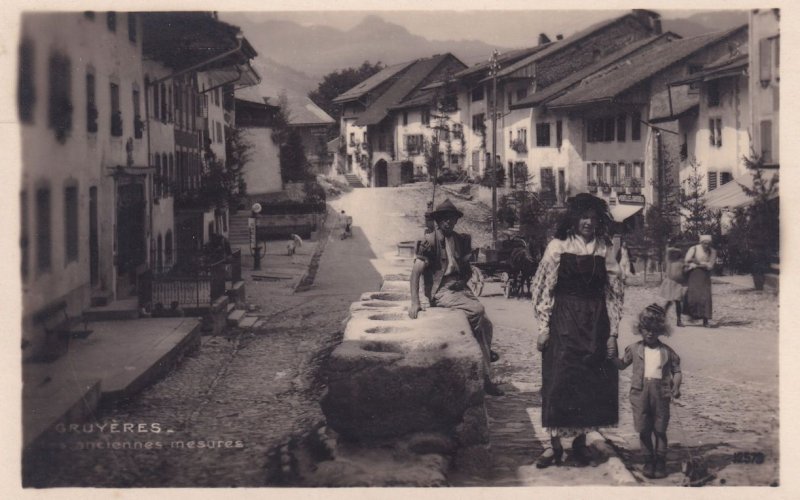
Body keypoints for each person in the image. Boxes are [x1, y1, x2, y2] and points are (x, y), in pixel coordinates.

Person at [530, 193, 624, 468]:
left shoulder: (604, 249)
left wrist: (613, 332)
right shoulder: (557, 246)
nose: (588, 222)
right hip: (564, 321)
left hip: (595, 322)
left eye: (593, 218)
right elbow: (542, 286)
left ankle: (580, 444)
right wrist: (543, 326)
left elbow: (615, 292)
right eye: (584, 217)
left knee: (589, 382)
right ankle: (553, 446)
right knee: (558, 378)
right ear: (574, 219)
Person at [409, 198, 503, 396]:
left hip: (459, 288)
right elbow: (416, 271)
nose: (448, 223)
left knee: (486, 325)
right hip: (441, 290)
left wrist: (464, 279)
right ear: (438, 221)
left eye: (451, 219)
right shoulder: (430, 241)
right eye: (444, 219)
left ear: (456, 221)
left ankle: (485, 360)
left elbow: (467, 270)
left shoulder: (460, 240)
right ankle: (485, 376)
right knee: (477, 311)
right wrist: (415, 302)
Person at [614, 303, 682, 479]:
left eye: (655, 329)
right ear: (640, 328)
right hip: (640, 394)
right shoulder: (634, 349)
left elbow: (677, 371)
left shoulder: (667, 351)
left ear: (661, 330)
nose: (650, 333)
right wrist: (610, 357)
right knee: (644, 429)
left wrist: (676, 385)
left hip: (661, 395)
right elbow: (621, 365)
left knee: (660, 429)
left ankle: (660, 461)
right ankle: (648, 460)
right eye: (646, 329)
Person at [684, 235, 716, 327]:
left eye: (708, 243)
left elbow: (710, 266)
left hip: (705, 275)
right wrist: (703, 264)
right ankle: (693, 316)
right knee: (694, 296)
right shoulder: (693, 249)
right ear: (700, 242)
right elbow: (687, 261)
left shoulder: (712, 251)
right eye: (704, 243)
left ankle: (705, 321)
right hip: (694, 275)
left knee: (706, 297)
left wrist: (697, 263)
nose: (706, 245)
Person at [660, 247, 687, 327]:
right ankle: (661, 318)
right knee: (669, 301)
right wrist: (676, 249)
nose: (676, 254)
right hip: (670, 283)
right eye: (674, 253)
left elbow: (684, 272)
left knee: (677, 302)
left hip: (678, 284)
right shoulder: (669, 261)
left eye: (677, 253)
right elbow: (668, 250)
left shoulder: (682, 263)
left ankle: (678, 320)